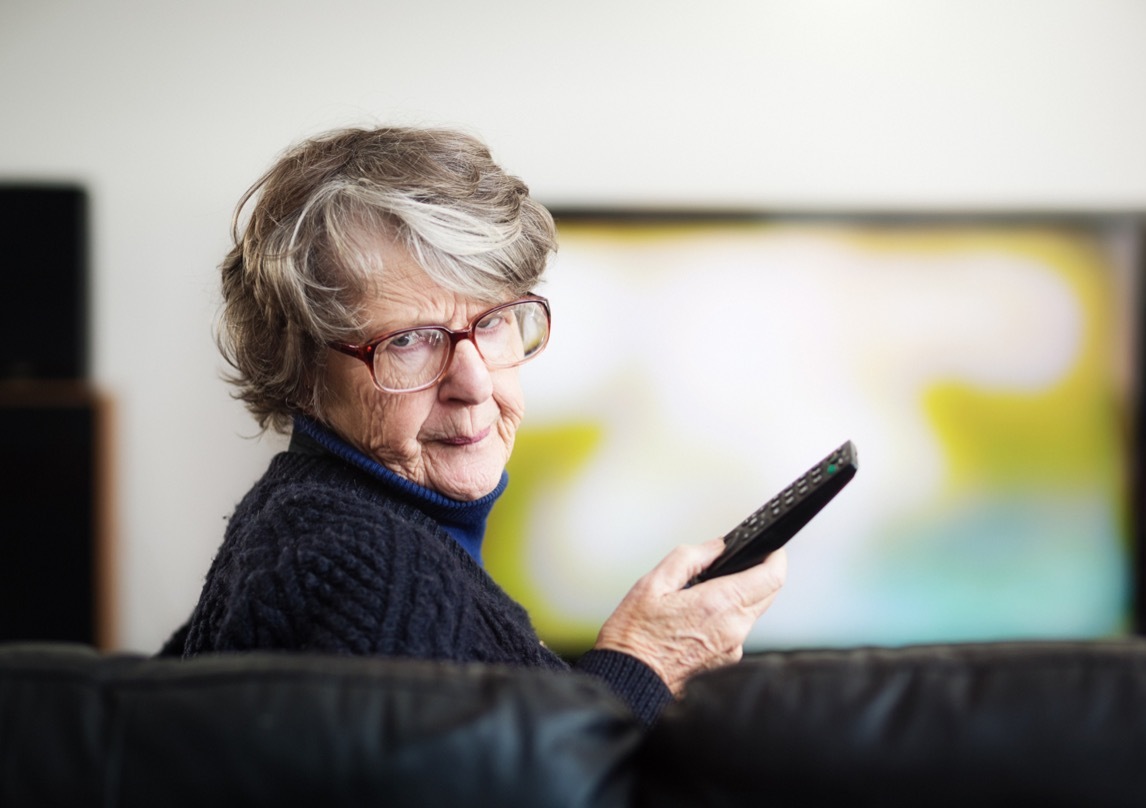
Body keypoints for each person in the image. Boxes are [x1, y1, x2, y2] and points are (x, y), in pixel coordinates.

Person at [162, 126, 787, 725]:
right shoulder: (368, 569)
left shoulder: (308, 520)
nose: (475, 383)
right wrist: (644, 665)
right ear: (300, 371)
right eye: (409, 341)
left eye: (492, 322)